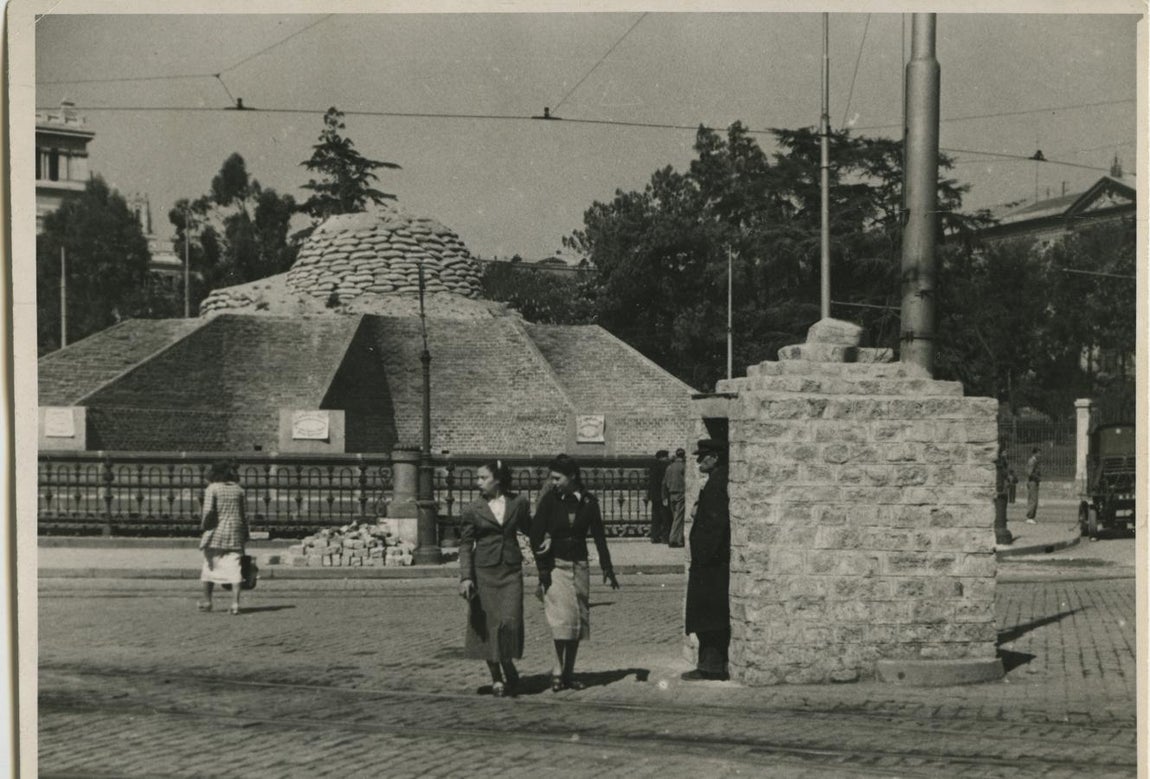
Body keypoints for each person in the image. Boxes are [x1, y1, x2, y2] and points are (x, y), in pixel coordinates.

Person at [531, 454, 620, 691]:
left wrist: (607, 567)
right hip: (555, 567)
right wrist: (542, 564)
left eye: (558, 478)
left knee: (577, 622)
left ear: (572, 477)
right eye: (552, 478)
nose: (554, 482)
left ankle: (569, 673)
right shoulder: (550, 500)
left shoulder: (589, 502)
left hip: (580, 565)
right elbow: (535, 533)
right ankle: (557, 671)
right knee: (561, 621)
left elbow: (599, 536)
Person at [458, 460, 533, 697]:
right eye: (477, 477)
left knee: (511, 621)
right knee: (489, 625)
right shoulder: (472, 509)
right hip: (484, 572)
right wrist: (466, 577)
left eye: (482, 477)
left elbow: (531, 529)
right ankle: (496, 677)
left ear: (497, 479)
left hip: (511, 570)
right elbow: (466, 544)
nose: (477, 482)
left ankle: (508, 661)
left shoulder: (518, 503)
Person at [682, 439, 730, 681]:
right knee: (707, 614)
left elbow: (716, 525)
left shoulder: (717, 484)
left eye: (705, 457)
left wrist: (703, 556)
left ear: (716, 458)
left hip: (710, 564)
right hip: (709, 562)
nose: (700, 461)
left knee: (709, 616)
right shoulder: (716, 481)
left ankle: (712, 666)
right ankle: (709, 663)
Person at [198, 460, 249, 615]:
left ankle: (207, 601)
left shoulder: (212, 488)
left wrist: (203, 527)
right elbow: (244, 514)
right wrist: (246, 533)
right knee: (234, 566)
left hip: (216, 531)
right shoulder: (239, 490)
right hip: (235, 530)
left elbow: (208, 512)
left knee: (209, 565)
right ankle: (235, 603)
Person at [662, 448, 687, 547]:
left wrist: (664, 496)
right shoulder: (684, 466)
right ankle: (673, 539)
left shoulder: (669, 467)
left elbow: (664, 483)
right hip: (680, 493)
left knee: (676, 517)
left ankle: (679, 539)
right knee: (678, 518)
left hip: (671, 494)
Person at [647, 449, 671, 544]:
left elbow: (651, 483)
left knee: (655, 516)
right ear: (663, 457)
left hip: (654, 495)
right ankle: (665, 537)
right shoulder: (665, 466)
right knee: (665, 516)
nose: (668, 458)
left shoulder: (653, 466)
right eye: (666, 456)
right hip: (662, 495)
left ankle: (654, 536)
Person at [1025, 447, 1041, 523]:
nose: (1040, 455)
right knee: (1033, 500)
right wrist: (1037, 478)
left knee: (1034, 499)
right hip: (1033, 482)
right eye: (1038, 453)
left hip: (1034, 481)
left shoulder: (1035, 461)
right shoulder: (1032, 461)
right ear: (1034, 453)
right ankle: (1030, 517)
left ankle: (1031, 516)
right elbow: (1030, 473)